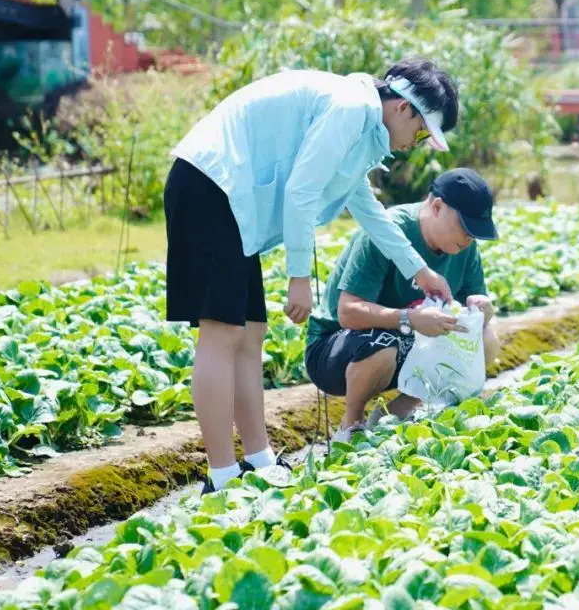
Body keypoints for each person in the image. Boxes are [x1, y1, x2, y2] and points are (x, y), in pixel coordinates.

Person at [164, 58, 458, 494]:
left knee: (250, 332)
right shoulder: (349, 109)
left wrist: (419, 270)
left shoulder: (361, 125)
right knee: (221, 332)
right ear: (403, 108)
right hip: (212, 185)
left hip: (230, 197)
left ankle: (259, 461)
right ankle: (222, 476)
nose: (414, 144)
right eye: (420, 134)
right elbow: (301, 192)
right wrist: (299, 276)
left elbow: (367, 209)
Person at [305, 169, 501, 441]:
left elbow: (476, 304)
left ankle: (403, 407)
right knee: (384, 344)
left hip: (409, 344)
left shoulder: (464, 248)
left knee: (486, 337)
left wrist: (483, 309)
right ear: (437, 207)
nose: (470, 239)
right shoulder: (388, 230)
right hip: (335, 348)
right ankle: (351, 425)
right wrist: (410, 319)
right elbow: (347, 313)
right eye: (466, 228)